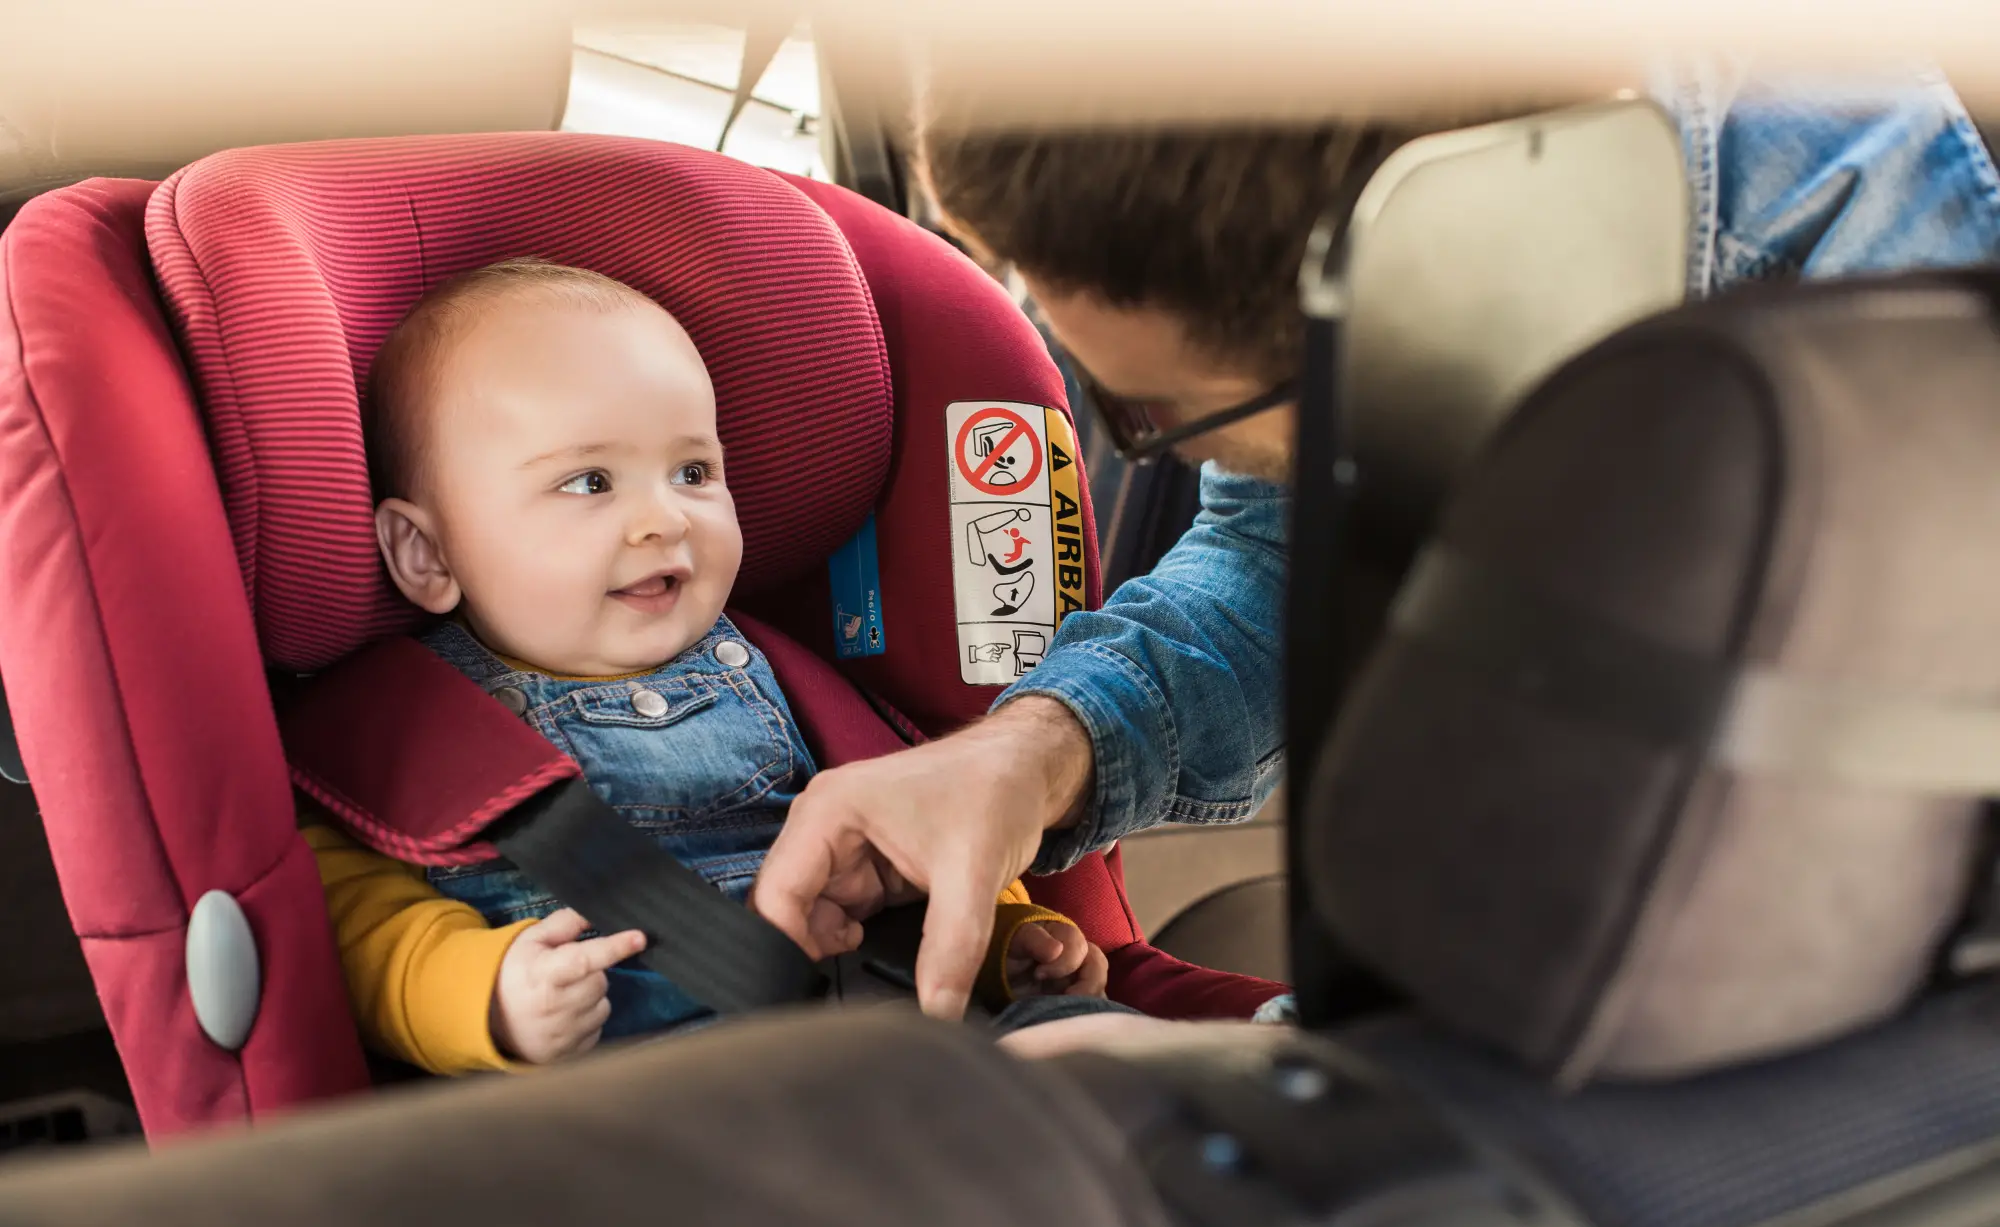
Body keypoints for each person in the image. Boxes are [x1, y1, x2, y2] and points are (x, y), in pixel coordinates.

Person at [752, 67, 2000, 1023]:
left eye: (1153, 414)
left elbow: (1830, 932)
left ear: (1417, 293)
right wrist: (1034, 748)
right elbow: (1274, 552)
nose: (1142, 448)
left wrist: (1279, 1069)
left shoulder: (1921, 363)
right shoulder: (1431, 222)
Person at [302, 259, 1116, 1073]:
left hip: (888, 1042)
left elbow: (913, 827)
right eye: (589, 482)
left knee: (1105, 1057)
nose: (664, 518)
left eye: (693, 472)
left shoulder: (796, 675)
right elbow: (358, 930)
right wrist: (487, 997)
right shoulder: (401, 732)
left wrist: (1001, 941)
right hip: (652, 1097)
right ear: (427, 553)